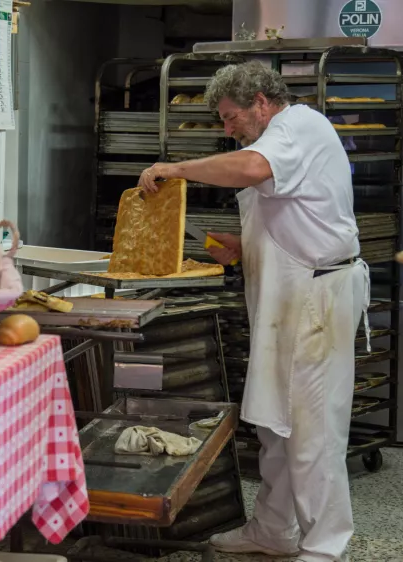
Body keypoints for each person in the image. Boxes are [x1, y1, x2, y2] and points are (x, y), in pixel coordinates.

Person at [139, 61, 370, 562]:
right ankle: (273, 529)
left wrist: (173, 167)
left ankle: (326, 547)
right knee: (276, 423)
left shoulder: (300, 126)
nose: (227, 129)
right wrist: (242, 248)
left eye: (230, 117)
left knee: (312, 426)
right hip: (289, 294)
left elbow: (252, 168)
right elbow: (299, 213)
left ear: (261, 102)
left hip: (318, 297)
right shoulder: (280, 137)